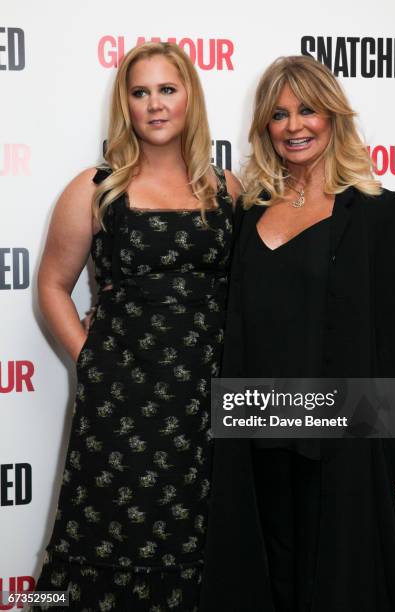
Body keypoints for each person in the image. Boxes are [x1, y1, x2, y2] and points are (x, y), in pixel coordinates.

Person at [200, 55, 395, 612]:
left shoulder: (374, 211)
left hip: (338, 434)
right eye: (279, 114)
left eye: (308, 110)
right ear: (265, 127)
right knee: (266, 587)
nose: (294, 126)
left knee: (337, 589)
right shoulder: (249, 211)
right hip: (253, 428)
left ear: (332, 116)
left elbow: (390, 333)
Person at [33, 42, 240, 611]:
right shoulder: (96, 189)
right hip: (120, 404)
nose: (154, 105)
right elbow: (52, 286)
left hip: (206, 403)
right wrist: (90, 362)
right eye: (140, 91)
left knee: (197, 539)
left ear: (189, 97)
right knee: (97, 529)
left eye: (167, 90)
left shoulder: (229, 190)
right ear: (125, 103)